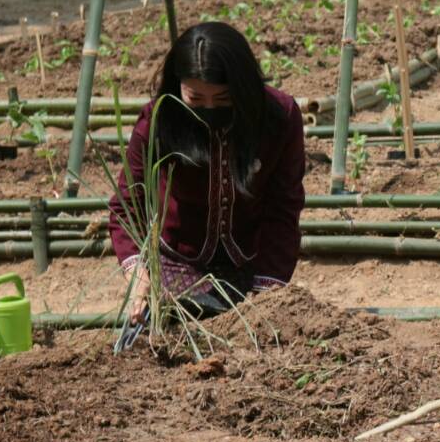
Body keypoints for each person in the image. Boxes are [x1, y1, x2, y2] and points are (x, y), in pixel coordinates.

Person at [108, 21, 306, 319]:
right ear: (178, 86)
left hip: (251, 262)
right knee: (162, 338)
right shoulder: (160, 118)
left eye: (224, 99)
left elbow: (283, 207)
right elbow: (127, 202)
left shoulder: (278, 117)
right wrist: (137, 271)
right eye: (196, 99)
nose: (210, 108)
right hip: (178, 264)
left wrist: (267, 291)